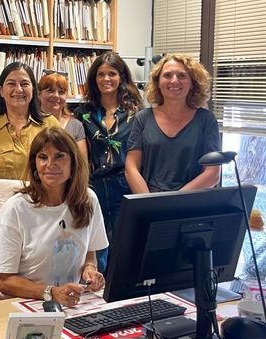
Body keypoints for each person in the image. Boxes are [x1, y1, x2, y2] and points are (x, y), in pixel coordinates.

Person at [0, 127, 108, 306]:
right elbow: (5, 281)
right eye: (43, 157)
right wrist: (50, 293)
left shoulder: (88, 199)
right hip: (15, 300)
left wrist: (90, 269)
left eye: (59, 156)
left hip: (66, 300)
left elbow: (90, 251)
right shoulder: (15, 209)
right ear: (34, 164)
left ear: (73, 163)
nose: (50, 164)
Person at [73, 52, 144, 273]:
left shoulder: (137, 113)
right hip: (94, 188)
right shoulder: (82, 113)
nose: (106, 79)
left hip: (126, 185)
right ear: (94, 79)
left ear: (121, 77)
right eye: (101, 74)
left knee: (127, 245)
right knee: (97, 248)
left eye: (112, 73)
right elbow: (78, 156)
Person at [125, 54, 221, 193]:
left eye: (182, 76)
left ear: (192, 83)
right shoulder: (143, 118)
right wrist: (148, 204)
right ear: (158, 82)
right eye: (167, 75)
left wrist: (174, 202)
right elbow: (131, 168)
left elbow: (212, 174)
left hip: (191, 206)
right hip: (149, 207)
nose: (174, 81)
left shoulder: (206, 120)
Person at [0, 62, 60, 180]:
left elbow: (63, 169)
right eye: (11, 84)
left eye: (24, 84)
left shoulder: (51, 125)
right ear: (1, 91)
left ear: (33, 90)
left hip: (41, 198)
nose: (19, 89)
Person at [38, 72, 87, 160]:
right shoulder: (30, 122)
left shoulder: (76, 126)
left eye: (61, 92)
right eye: (50, 91)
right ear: (39, 94)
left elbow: (82, 164)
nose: (56, 95)